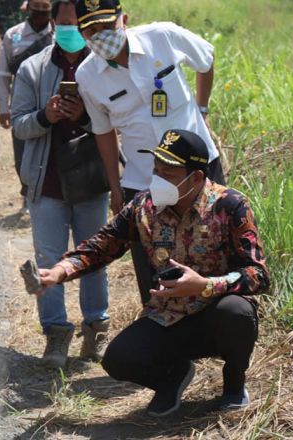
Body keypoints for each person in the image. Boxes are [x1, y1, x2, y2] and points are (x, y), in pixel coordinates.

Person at [37, 129, 270, 416]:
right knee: (118, 360)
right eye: (156, 170)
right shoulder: (144, 208)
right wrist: (60, 271)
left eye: (169, 173)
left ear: (196, 178)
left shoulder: (230, 206)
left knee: (237, 313)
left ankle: (234, 383)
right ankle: (172, 378)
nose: (158, 179)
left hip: (216, 315)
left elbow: (257, 273)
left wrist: (205, 285)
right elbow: (102, 246)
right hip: (168, 317)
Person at [74, 0, 225, 305]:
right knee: (155, 264)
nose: (100, 34)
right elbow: (104, 133)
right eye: (91, 28)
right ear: (81, 33)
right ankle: (166, 340)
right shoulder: (88, 76)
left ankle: (218, 326)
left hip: (199, 170)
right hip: (144, 181)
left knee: (214, 251)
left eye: (107, 25)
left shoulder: (162, 37)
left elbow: (206, 60)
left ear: (124, 19)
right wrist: (115, 188)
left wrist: (203, 110)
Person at [11, 0, 110, 369]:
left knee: (93, 259)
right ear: (52, 23)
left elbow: (114, 122)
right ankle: (55, 333)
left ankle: (96, 327)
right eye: (63, 22)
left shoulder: (101, 67)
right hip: (46, 180)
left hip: (90, 181)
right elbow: (19, 123)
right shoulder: (32, 69)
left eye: (76, 23)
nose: (70, 29)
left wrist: (84, 118)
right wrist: (45, 115)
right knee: (48, 260)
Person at [0, 0, 53, 214]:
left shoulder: (58, 35)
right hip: (22, 104)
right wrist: (3, 106)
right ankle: (26, 193)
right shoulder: (13, 35)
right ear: (28, 12)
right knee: (22, 153)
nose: (39, 19)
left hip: (50, 103)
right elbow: (3, 74)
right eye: (36, 14)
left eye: (44, 15)